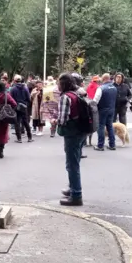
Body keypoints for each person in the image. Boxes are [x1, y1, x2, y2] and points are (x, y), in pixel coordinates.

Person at [57, 73, 88, 206]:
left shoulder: (65, 97)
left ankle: (76, 194)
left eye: (59, 83)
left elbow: (62, 120)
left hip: (72, 133)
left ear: (63, 84)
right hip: (81, 132)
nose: (57, 85)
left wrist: (54, 120)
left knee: (72, 164)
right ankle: (73, 189)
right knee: (75, 161)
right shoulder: (77, 94)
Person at [0, 80, 17, 159]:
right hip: (3, 116)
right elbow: (14, 104)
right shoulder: (6, 95)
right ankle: (1, 151)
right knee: (2, 133)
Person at [94, 73, 117, 151]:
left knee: (101, 127)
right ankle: (112, 145)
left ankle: (100, 145)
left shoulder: (101, 88)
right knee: (110, 126)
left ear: (103, 79)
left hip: (102, 110)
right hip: (112, 110)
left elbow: (95, 100)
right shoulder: (114, 88)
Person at [9, 75, 33, 143]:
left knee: (17, 122)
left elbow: (10, 99)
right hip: (24, 107)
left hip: (16, 107)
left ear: (14, 81)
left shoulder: (13, 89)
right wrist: (25, 104)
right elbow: (28, 98)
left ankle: (19, 138)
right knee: (26, 122)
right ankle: (29, 137)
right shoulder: (25, 88)